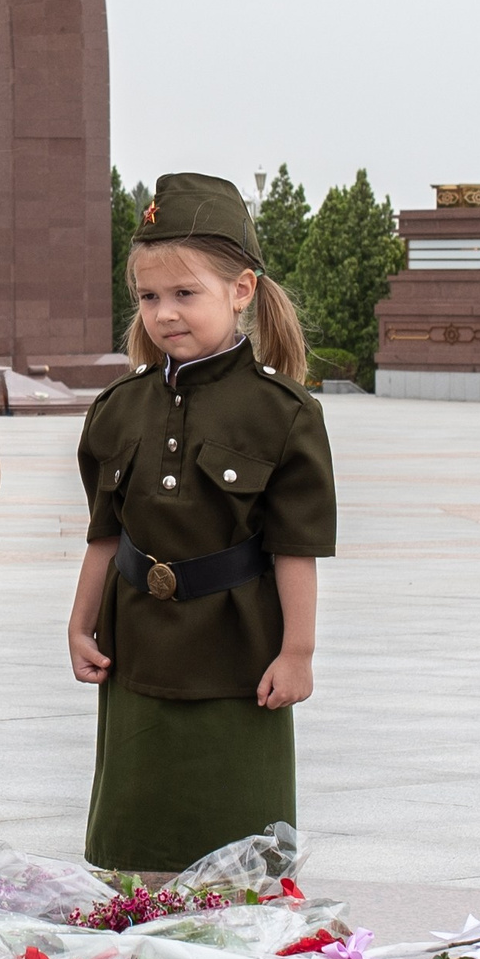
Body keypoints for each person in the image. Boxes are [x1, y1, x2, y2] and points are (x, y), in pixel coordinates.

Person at [67, 174, 336, 871]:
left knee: (239, 846)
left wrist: (298, 651)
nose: (165, 313)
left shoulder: (283, 414)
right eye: (150, 297)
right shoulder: (118, 408)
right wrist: (79, 623)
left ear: (241, 290)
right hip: (138, 654)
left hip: (238, 656)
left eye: (186, 294)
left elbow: (294, 550)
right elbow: (104, 531)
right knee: (136, 843)